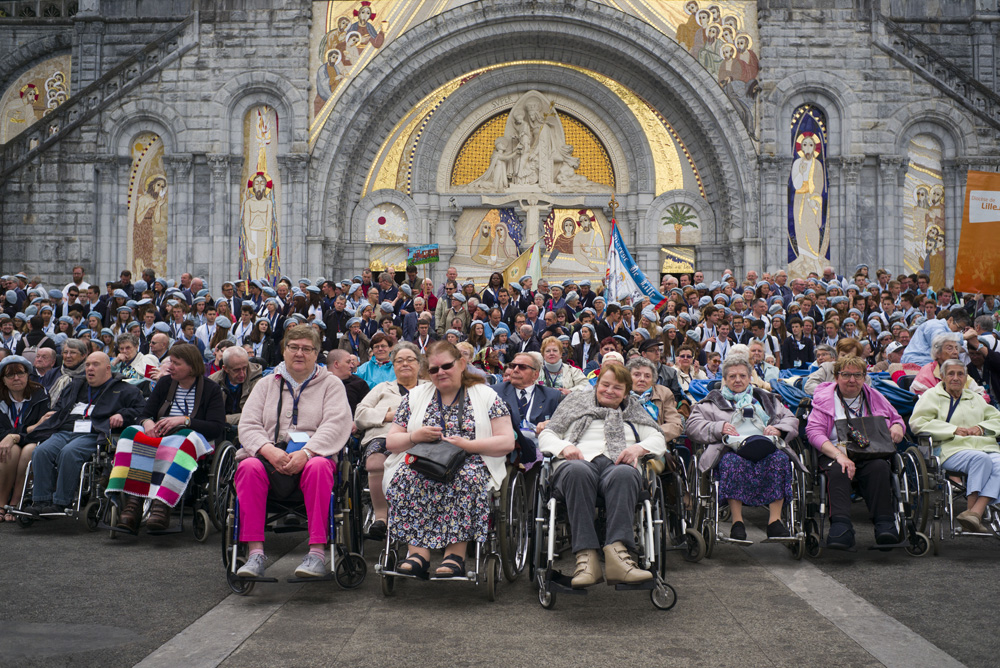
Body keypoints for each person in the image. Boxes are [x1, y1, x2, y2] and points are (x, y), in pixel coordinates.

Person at [383, 341, 515, 578]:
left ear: (462, 364)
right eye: (433, 369)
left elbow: (506, 442)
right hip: (424, 457)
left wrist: (469, 445)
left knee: (465, 479)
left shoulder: (486, 395)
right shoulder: (415, 397)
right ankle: (417, 554)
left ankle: (455, 555)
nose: (440, 372)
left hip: (471, 458)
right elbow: (391, 442)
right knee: (407, 477)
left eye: (446, 366)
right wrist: (415, 436)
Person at [234, 324, 353, 579]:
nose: (299, 353)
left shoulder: (331, 384)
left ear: (316, 353)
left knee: (320, 466)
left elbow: (335, 423)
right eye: (294, 347)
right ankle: (255, 554)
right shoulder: (266, 384)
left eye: (307, 349)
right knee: (247, 467)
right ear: (284, 350)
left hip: (313, 459)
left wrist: (307, 453)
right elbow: (248, 424)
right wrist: (267, 450)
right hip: (268, 458)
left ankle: (317, 554)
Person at [538, 364, 666, 586]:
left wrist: (638, 448)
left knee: (625, 474)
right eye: (605, 385)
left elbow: (658, 439)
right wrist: (563, 447)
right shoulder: (575, 404)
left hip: (617, 465)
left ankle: (618, 556)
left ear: (626, 393)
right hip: (577, 463)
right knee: (577, 470)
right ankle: (586, 558)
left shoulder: (633, 411)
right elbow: (548, 434)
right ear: (597, 385)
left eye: (617, 388)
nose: (609, 390)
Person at [112, 343, 226, 532]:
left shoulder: (211, 389)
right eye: (170, 362)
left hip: (191, 436)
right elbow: (144, 413)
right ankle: (133, 500)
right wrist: (147, 423)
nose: (170, 367)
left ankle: (161, 503)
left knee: (181, 441)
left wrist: (185, 420)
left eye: (176, 363)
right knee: (129, 434)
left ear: (192, 366)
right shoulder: (165, 383)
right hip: (160, 434)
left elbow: (216, 427)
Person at [687, 355, 801, 541]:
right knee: (732, 462)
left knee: (780, 460)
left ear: (750, 378)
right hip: (730, 451)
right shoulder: (711, 403)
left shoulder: (767, 400)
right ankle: (737, 522)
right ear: (724, 379)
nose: (737, 380)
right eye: (732, 376)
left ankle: (775, 521)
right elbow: (692, 426)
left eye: (742, 375)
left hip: (766, 447)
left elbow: (791, 419)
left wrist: (779, 429)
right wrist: (719, 428)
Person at [805, 356, 906, 549]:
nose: (852, 380)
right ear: (836, 377)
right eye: (846, 375)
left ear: (864, 377)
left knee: (879, 468)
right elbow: (813, 432)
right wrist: (839, 455)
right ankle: (841, 527)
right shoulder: (825, 399)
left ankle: (885, 523)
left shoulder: (874, 395)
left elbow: (896, 418)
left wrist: (897, 427)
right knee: (838, 470)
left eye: (857, 375)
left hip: (870, 452)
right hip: (835, 451)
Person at [25, 352, 145, 515]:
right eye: (88, 364)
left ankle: (61, 502)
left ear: (108, 368)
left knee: (69, 453)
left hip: (93, 433)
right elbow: (61, 405)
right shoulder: (75, 385)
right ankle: (40, 500)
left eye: (95, 364)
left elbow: (141, 410)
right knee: (40, 451)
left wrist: (122, 415)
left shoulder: (125, 389)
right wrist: (56, 413)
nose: (90, 368)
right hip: (65, 430)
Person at [910, 359, 1000, 533]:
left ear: (966, 378)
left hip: (983, 446)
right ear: (942, 376)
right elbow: (918, 423)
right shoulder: (931, 396)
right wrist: (953, 430)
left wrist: (981, 428)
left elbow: (997, 419)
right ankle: (973, 513)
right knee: (980, 460)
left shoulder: (975, 398)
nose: (956, 378)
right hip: (950, 448)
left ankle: (974, 513)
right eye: (951, 373)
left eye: (960, 374)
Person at [353, 342, 426, 541]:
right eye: (399, 361)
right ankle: (381, 517)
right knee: (375, 460)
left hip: (420, 438)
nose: (404, 364)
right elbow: (360, 414)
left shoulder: (429, 388)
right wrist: (389, 415)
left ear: (419, 364)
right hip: (383, 436)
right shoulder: (382, 388)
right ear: (393, 366)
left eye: (410, 360)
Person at [0, 356, 51, 520]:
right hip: (5, 443)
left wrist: (15, 436)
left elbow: (43, 429)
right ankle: (1, 503)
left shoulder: (40, 394)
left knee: (29, 450)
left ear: (28, 375)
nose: (16, 378)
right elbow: (2, 432)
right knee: (10, 451)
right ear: (3, 380)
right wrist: (27, 430)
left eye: (20, 373)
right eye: (10, 375)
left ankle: (15, 503)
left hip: (32, 442)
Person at [626, 357, 683, 442]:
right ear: (628, 377)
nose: (642, 379)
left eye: (647, 376)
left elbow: (675, 424)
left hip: (656, 443)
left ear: (653, 380)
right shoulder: (620, 394)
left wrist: (652, 436)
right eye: (637, 375)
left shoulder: (663, 393)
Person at [208, 346, 263, 432]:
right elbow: (210, 415)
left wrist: (226, 419)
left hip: (250, 429)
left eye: (245, 368)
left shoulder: (257, 380)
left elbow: (257, 414)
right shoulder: (213, 382)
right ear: (225, 369)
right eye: (236, 370)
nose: (242, 374)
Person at [912, 332, 983, 397]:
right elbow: (923, 400)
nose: (955, 352)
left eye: (956, 348)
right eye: (950, 348)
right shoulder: (927, 372)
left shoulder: (960, 370)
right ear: (938, 353)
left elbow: (981, 394)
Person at [327, 349, 370, 414]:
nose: (352, 366)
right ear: (336, 364)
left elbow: (366, 412)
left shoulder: (360, 384)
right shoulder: (319, 383)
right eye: (348, 362)